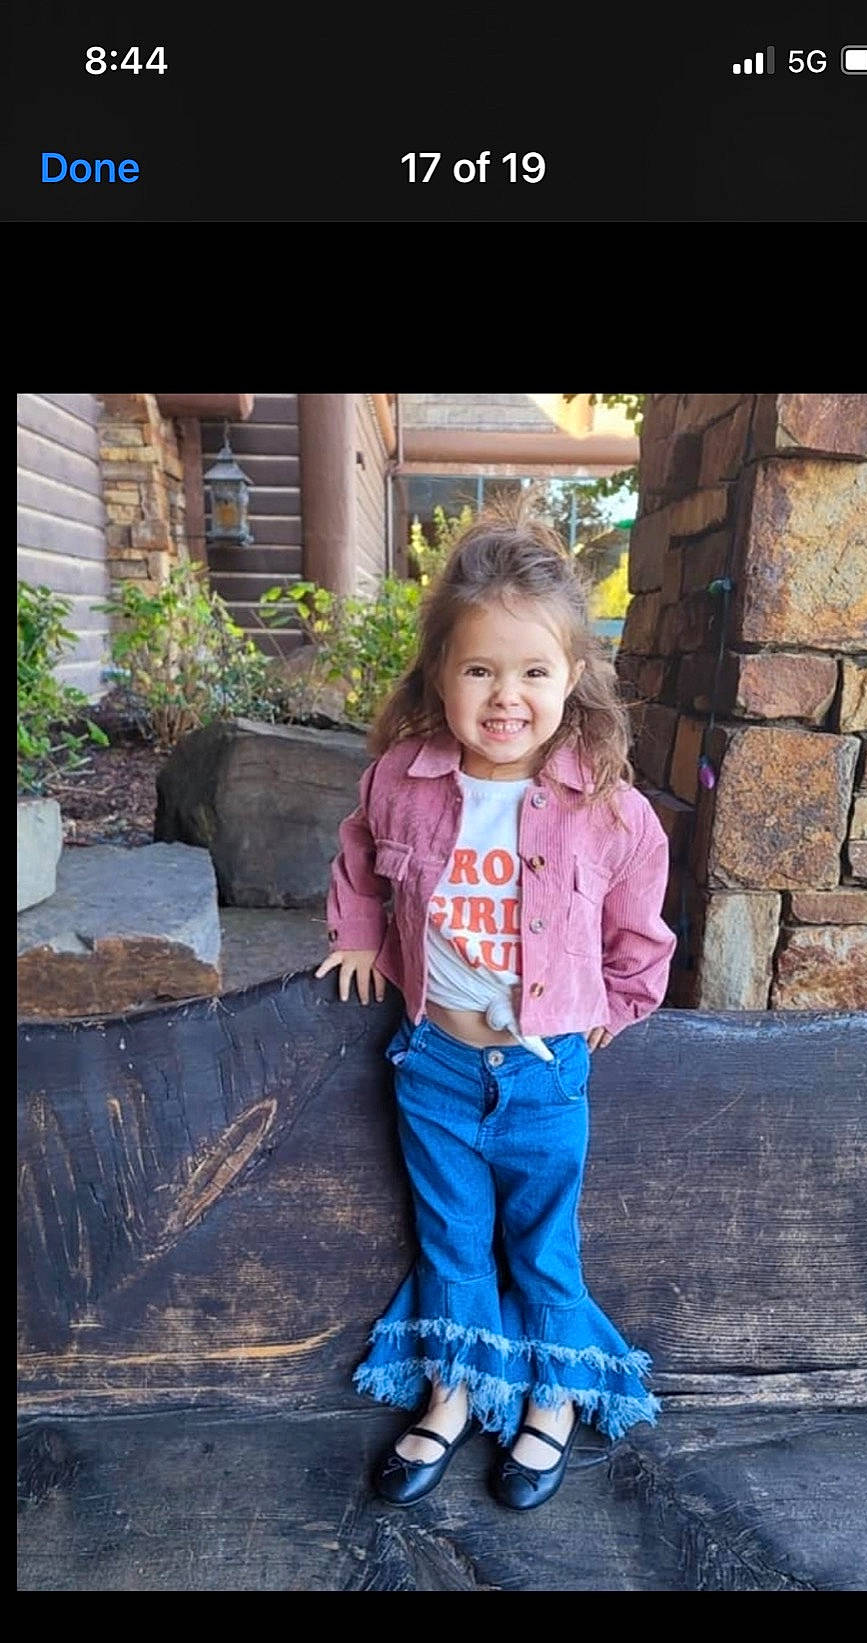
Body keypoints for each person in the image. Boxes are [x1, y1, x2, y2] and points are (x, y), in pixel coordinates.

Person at [315, 502, 676, 1510]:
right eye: (480, 670)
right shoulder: (402, 780)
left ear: (572, 678)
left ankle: (552, 1397)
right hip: (431, 1061)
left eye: (532, 672)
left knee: (540, 1241)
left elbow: (638, 910)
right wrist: (353, 933)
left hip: (543, 1070)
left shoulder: (607, 806)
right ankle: (453, 1389)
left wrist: (626, 993)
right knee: (451, 1236)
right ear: (439, 673)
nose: (505, 696)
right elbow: (356, 851)